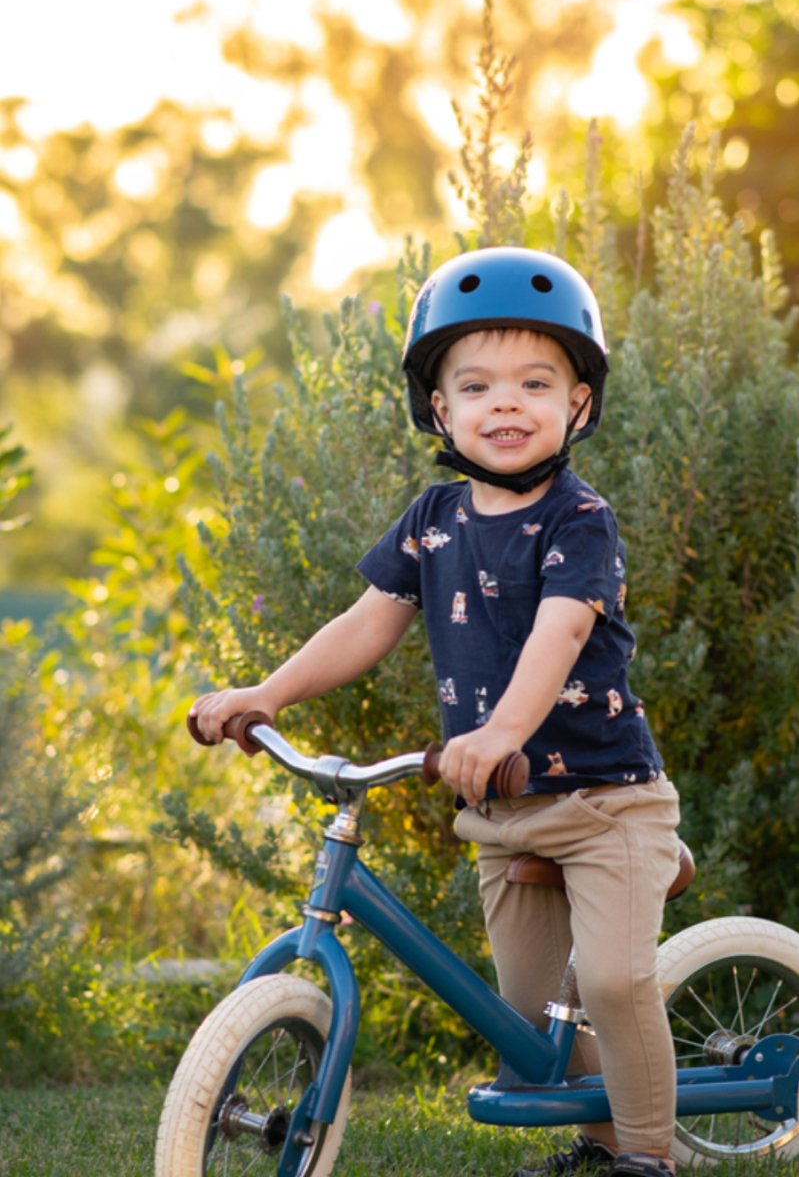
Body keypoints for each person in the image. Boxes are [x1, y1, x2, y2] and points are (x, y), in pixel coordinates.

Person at [190, 247, 681, 1177]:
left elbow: (560, 633)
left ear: (578, 403)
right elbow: (366, 623)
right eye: (477, 384)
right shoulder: (433, 516)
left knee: (613, 983)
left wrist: (499, 731)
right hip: (503, 807)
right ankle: (596, 1143)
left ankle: (646, 1159)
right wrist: (266, 695)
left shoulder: (580, 520)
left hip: (609, 801)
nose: (506, 403)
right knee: (534, 1019)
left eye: (535, 382)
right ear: (438, 409)